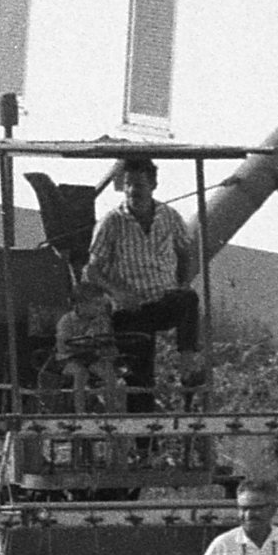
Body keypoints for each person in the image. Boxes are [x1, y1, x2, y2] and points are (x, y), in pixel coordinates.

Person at [82, 149, 201, 389]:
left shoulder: (168, 216)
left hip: (161, 301)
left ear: (153, 184)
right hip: (131, 310)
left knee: (188, 298)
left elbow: (188, 252)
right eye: (128, 184)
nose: (133, 190)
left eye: (139, 184)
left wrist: (183, 282)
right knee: (140, 378)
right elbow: (92, 271)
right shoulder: (112, 222)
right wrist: (118, 294)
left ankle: (187, 366)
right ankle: (141, 417)